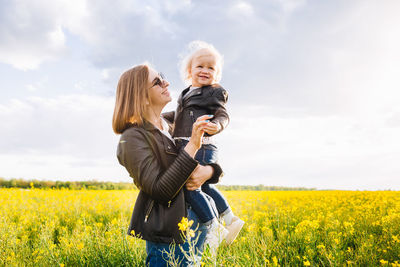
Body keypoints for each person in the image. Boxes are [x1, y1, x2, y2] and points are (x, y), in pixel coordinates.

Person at [112, 64, 224, 266]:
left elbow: (203, 161)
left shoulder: (172, 125)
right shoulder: (132, 138)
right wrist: (193, 144)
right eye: (157, 82)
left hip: (195, 230)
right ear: (142, 97)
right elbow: (160, 190)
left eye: (162, 76)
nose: (166, 82)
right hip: (168, 239)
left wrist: (210, 171)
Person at [163, 41, 244, 251]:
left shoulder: (213, 93)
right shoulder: (186, 93)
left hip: (204, 145)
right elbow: (179, 116)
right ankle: (229, 217)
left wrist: (216, 126)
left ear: (216, 75)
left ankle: (213, 227)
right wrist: (160, 118)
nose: (205, 71)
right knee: (204, 186)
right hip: (190, 145)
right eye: (200, 66)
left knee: (190, 186)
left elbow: (223, 114)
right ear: (189, 71)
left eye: (211, 68)